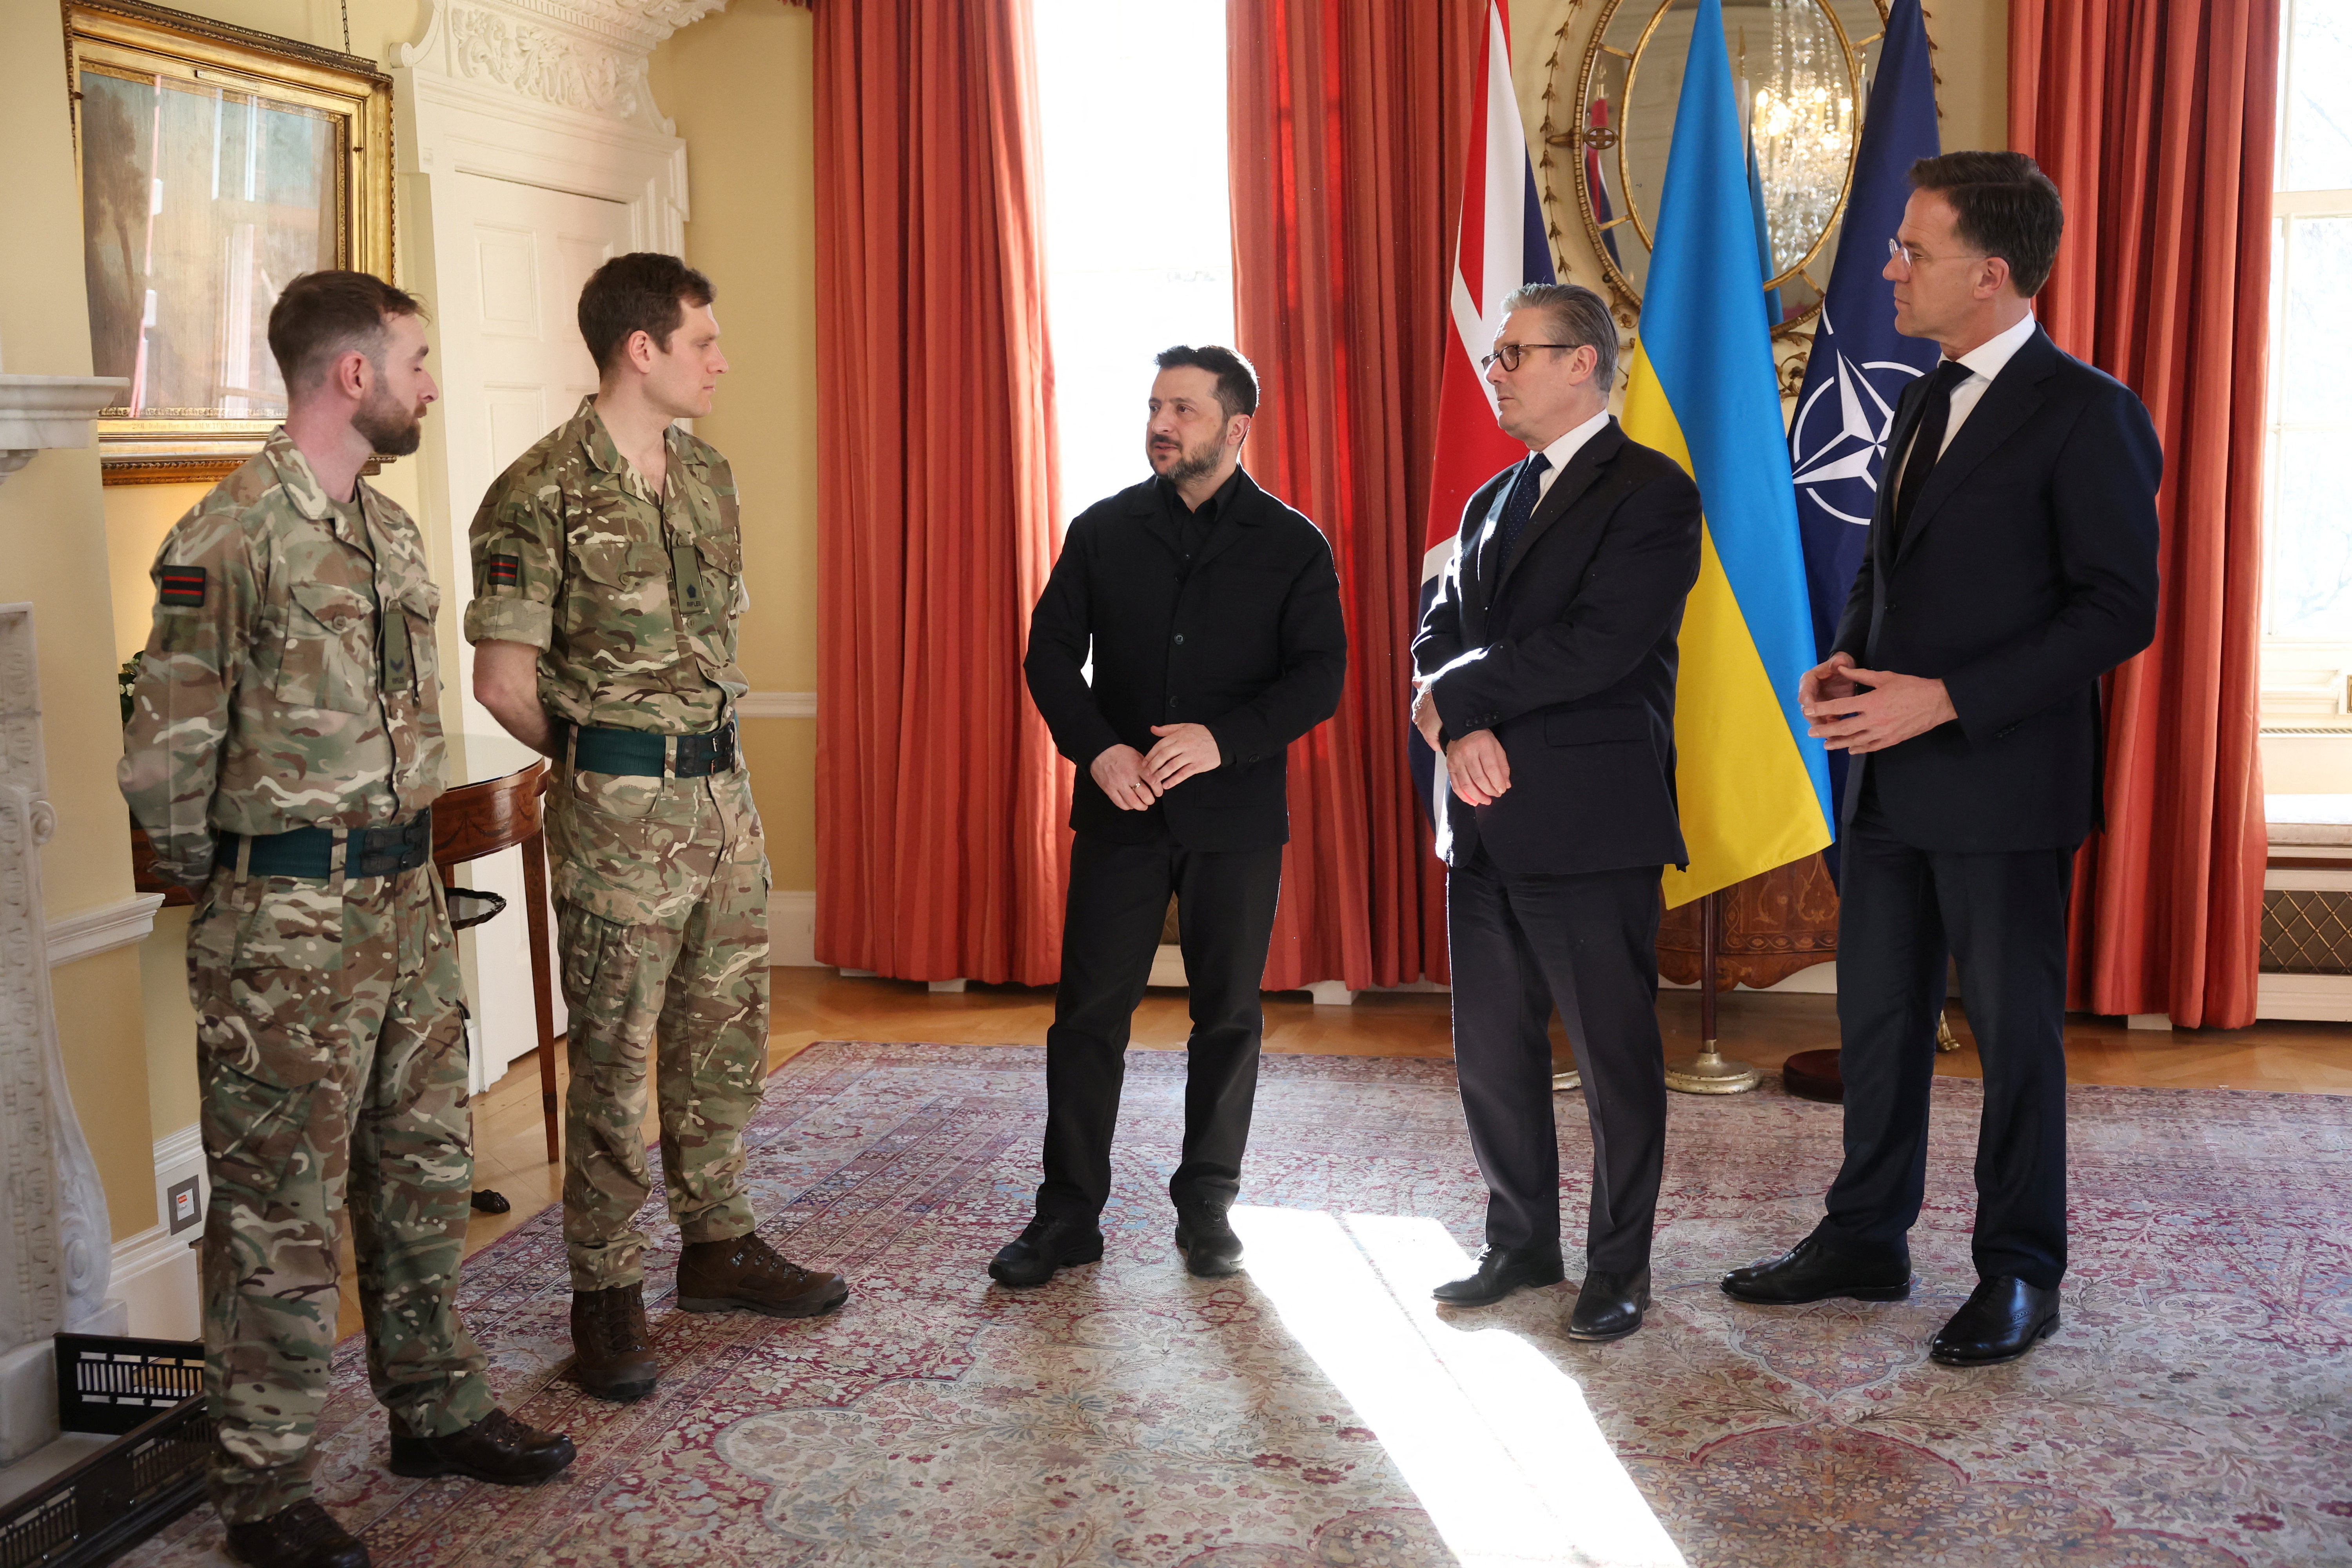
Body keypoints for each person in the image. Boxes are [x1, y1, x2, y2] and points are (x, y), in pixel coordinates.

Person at [122, 271, 574, 1568]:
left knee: (423, 1166)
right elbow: (165, 763)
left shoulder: (389, 531)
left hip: (403, 901)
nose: (432, 384)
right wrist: (260, 892)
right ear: (354, 376)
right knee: (282, 1211)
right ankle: (264, 1493)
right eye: (418, 361)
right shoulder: (228, 537)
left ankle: (433, 1408)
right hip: (287, 924)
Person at [1723, 152, 2161, 1367]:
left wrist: (1946, 700)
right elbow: (1886, 567)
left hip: (2008, 785)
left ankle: (2021, 1269)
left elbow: (2119, 610)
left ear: (1994, 272)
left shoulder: (2091, 413)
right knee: (1877, 1024)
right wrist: (1848, 660)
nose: (1888, 266)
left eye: (1912, 248)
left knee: (2015, 1039)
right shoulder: (1919, 394)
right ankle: (1866, 1237)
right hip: (1889, 782)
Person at [466, 253, 846, 1405]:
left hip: (726, 804)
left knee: (723, 1037)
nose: (722, 362)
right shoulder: (538, 491)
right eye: (705, 343)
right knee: (615, 1056)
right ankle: (606, 1293)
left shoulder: (708, 477)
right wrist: (603, 762)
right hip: (620, 817)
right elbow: (502, 681)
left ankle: (719, 1246)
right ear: (644, 349)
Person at [1001, 345, 1347, 1288]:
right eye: (1156, 405)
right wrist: (1099, 750)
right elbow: (1047, 657)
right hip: (1122, 808)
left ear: (1236, 429)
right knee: (1087, 1019)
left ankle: (1208, 1205)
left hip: (1235, 817)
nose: (1162, 423)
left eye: (1185, 409)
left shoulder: (1294, 544)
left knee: (1227, 1016)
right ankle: (1067, 1212)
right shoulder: (1103, 530)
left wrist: (1224, 740)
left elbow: (1321, 678)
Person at [1410, 281, 1701, 1343]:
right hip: (1482, 820)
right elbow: (1434, 638)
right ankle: (1520, 1243)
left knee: (1614, 1059)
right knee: (1492, 1053)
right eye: (1495, 357)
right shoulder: (1490, 500)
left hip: (1589, 824)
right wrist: (1457, 725)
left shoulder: (1652, 494)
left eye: (1514, 354)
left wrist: (1463, 701)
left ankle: (1618, 1270)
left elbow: (1601, 645)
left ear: (1583, 360)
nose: (1496, 372)